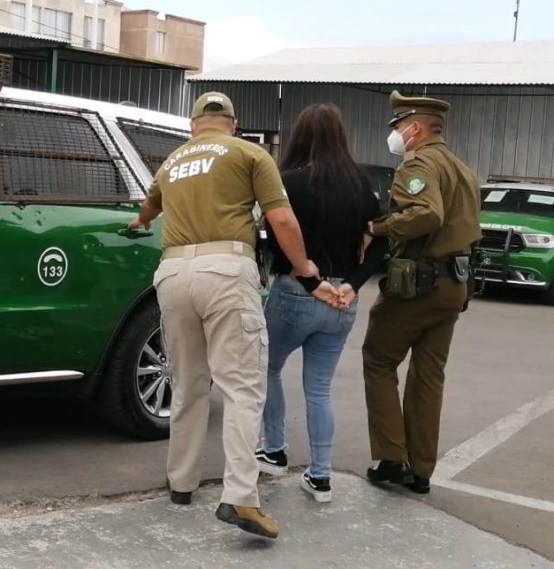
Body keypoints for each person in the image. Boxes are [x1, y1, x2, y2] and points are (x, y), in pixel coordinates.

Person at [128, 91, 320, 539]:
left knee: (188, 383)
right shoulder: (250, 153)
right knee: (241, 386)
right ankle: (240, 498)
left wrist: (138, 224)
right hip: (226, 270)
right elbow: (282, 219)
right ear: (232, 124)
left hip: (173, 274)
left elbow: (148, 210)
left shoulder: (173, 161)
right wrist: (305, 267)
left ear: (194, 126)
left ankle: (181, 483)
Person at [253, 103, 389, 503]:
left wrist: (309, 278)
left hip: (297, 290)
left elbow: (274, 235)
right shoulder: (360, 185)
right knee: (319, 388)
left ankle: (274, 449)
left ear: (300, 136)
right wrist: (352, 283)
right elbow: (381, 239)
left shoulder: (287, 182)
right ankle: (321, 476)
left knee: (268, 367)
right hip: (341, 301)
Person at [360, 90, 481, 494]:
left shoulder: (420, 161)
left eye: (398, 126)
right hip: (453, 282)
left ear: (413, 128)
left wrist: (376, 228)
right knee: (429, 376)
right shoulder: (460, 167)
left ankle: (392, 458)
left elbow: (427, 213)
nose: (395, 134)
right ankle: (422, 469)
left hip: (419, 282)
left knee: (378, 359)